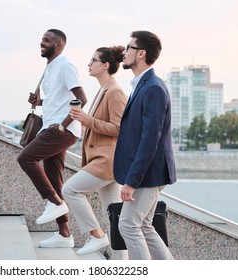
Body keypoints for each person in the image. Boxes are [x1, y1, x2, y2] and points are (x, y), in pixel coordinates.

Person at [17, 29, 87, 248]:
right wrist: (39, 103)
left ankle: (55, 202)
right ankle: (65, 234)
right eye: (41, 40)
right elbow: (57, 100)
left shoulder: (66, 65)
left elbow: (81, 98)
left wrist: (63, 125)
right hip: (52, 126)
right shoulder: (49, 68)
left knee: (25, 158)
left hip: (62, 129)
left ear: (59, 45)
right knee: (54, 177)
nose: (42, 43)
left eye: (46, 40)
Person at [113, 31, 176, 260]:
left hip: (148, 174)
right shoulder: (143, 85)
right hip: (147, 172)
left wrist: (132, 181)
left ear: (141, 53)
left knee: (128, 225)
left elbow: (150, 140)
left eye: (128, 47)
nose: (124, 52)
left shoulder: (153, 88)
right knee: (145, 227)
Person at [63, 46, 127, 259]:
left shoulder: (115, 92)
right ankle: (121, 265)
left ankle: (96, 235)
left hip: (106, 161)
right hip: (104, 160)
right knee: (114, 217)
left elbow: (118, 129)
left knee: (69, 190)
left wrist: (86, 120)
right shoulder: (103, 90)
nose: (89, 64)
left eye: (93, 60)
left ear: (105, 65)